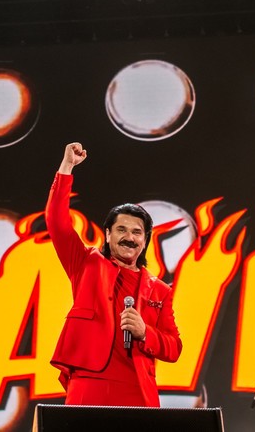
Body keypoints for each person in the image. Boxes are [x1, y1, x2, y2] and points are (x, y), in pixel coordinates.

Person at [46, 142, 182, 407]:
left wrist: (145, 332)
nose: (129, 237)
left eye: (137, 232)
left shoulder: (160, 290)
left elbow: (174, 347)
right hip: (88, 380)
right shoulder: (86, 263)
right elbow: (56, 221)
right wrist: (67, 167)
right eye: (121, 230)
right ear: (108, 234)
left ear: (145, 240)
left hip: (137, 386)